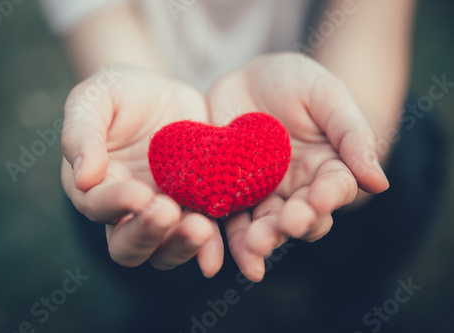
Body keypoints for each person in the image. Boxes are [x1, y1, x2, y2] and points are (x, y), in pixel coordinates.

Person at [38, 0, 447, 331]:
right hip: (162, 153)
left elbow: (366, 44)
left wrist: (357, 131)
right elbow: (109, 39)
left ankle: (350, 300)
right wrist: (123, 95)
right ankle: (169, 308)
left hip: (304, 128)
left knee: (407, 147)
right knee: (109, 177)